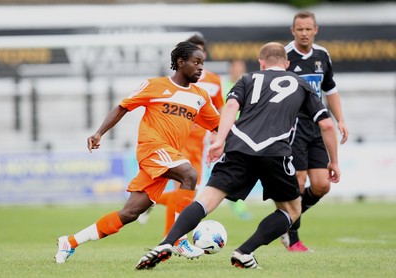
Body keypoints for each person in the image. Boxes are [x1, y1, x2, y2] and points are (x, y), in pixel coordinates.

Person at [135, 42, 340, 270]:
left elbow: (231, 106)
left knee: (206, 199)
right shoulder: (300, 84)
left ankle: (166, 242)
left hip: (238, 146)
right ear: (287, 64)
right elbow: (327, 126)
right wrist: (334, 161)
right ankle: (244, 252)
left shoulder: (248, 79)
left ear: (261, 63)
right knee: (291, 210)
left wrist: (220, 140)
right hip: (274, 151)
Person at [54, 41, 220, 264]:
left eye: (203, 63)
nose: (201, 68)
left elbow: (220, 125)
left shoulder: (201, 96)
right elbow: (123, 106)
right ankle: (178, 238)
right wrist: (99, 133)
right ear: (180, 63)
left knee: (130, 213)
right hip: (152, 148)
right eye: (196, 62)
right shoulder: (155, 86)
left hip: (168, 157)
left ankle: (70, 241)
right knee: (189, 174)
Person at [137, 34, 224, 258]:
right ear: (182, 60)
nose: (198, 62)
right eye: (194, 57)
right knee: (185, 187)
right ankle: (173, 240)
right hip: (176, 141)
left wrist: (218, 137)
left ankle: (153, 208)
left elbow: (219, 110)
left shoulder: (213, 81)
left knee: (188, 194)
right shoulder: (175, 81)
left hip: (199, 144)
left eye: (201, 56)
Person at [281, 10, 349, 252]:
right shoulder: (285, 55)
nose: (304, 33)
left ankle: (287, 216)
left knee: (321, 185)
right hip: (294, 126)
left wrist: (340, 119)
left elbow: (330, 89)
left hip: (318, 125)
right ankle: (292, 236)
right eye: (300, 29)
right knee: (298, 182)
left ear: (315, 30)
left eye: (308, 29)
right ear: (293, 30)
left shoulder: (322, 55)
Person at [222, 59, 252, 220]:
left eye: (242, 68)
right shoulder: (223, 88)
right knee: (232, 171)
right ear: (230, 70)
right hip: (227, 135)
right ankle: (237, 205)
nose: (238, 72)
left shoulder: (249, 87)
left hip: (245, 135)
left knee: (240, 173)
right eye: (236, 68)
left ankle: (236, 202)